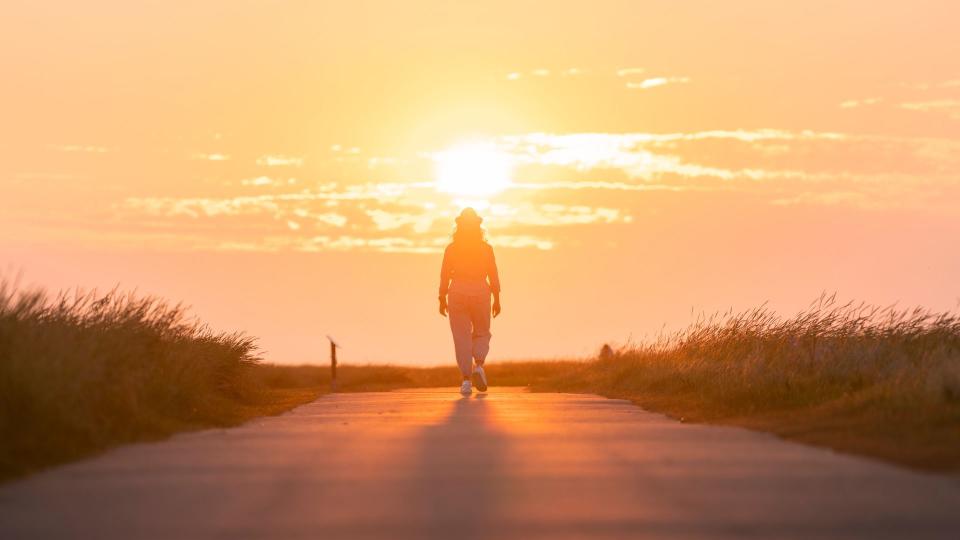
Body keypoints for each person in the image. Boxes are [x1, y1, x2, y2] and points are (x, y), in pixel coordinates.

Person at [438, 207, 501, 396]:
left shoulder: (452, 249)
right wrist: (497, 298)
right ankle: (479, 365)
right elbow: (493, 275)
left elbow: (444, 276)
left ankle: (466, 381)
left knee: (461, 337)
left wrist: (442, 297)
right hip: (481, 291)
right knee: (482, 331)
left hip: (457, 291)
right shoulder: (486, 249)